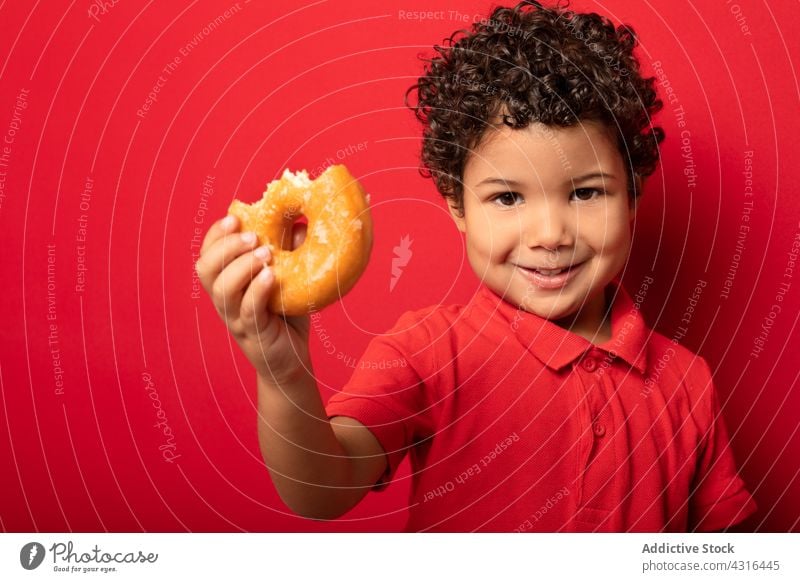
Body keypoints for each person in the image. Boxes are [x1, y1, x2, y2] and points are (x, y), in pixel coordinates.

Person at [195, 0, 756, 531]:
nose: (550, 235)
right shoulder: (424, 353)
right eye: (508, 198)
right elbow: (319, 490)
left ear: (632, 198)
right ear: (457, 206)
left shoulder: (686, 383)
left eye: (586, 193)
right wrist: (282, 373)